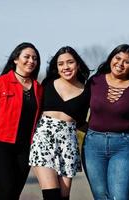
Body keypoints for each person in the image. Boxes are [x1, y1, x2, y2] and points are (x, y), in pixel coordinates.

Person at [0, 42, 43, 200]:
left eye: (35, 58)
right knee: (6, 192)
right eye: (26, 57)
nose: (31, 61)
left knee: (13, 194)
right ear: (15, 59)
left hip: (24, 149)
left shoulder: (38, 88)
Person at [82, 44, 129, 200]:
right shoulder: (95, 82)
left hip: (124, 146)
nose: (120, 63)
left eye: (127, 61)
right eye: (117, 58)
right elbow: (78, 109)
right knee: (100, 196)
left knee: (120, 197)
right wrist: (88, 129)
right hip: (92, 146)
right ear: (111, 58)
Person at [29, 46, 90, 200]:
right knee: (52, 195)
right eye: (61, 64)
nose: (65, 67)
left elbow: (82, 122)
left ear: (77, 64)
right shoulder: (48, 83)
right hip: (43, 140)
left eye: (70, 62)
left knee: (63, 196)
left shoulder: (87, 90)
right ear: (56, 67)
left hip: (68, 143)